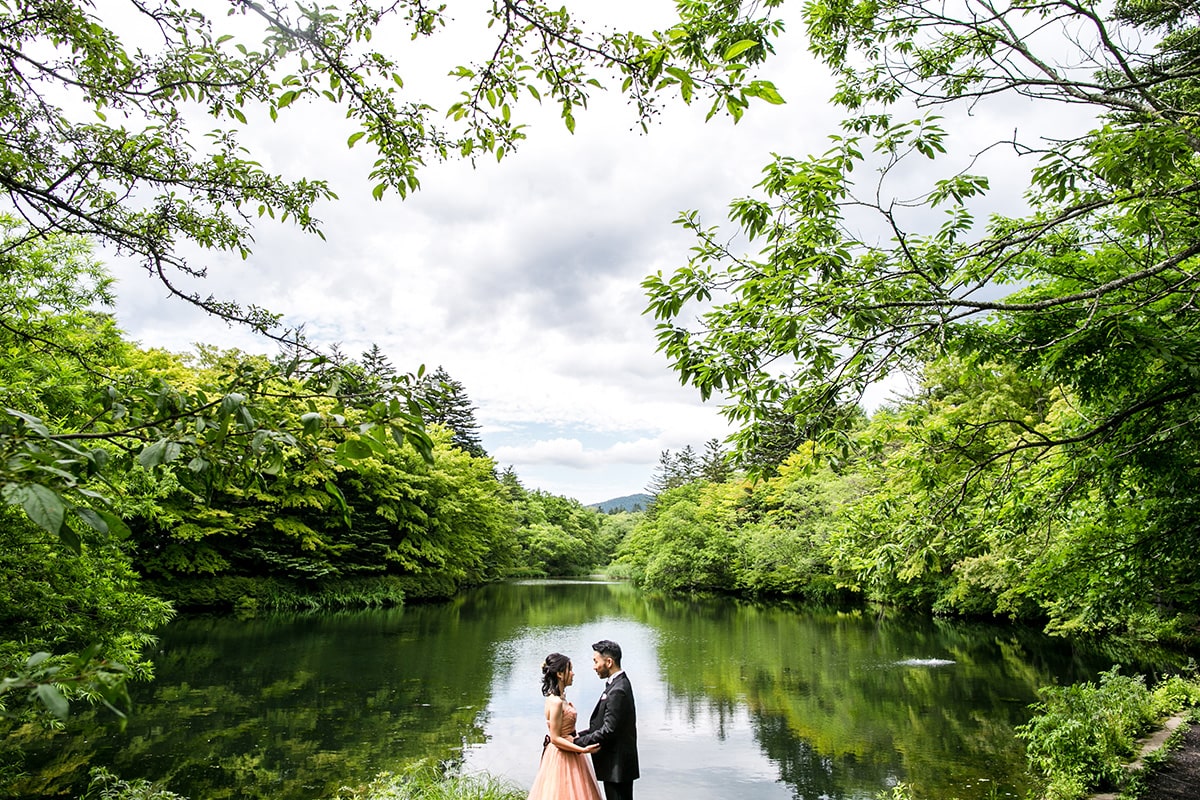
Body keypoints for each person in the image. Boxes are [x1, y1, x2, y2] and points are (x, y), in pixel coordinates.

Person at [526, 652, 604, 800]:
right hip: (562, 754)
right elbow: (555, 738)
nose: (573, 674)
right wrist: (582, 749)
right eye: (570, 669)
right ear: (560, 674)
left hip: (570, 749)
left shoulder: (559, 699)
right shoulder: (555, 702)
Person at [574, 640, 639, 800]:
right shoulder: (617, 685)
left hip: (617, 766)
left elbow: (608, 730)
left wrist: (578, 743)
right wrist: (577, 736)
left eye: (596, 661)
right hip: (615, 766)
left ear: (609, 662)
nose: (594, 667)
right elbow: (602, 725)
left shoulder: (618, 690)